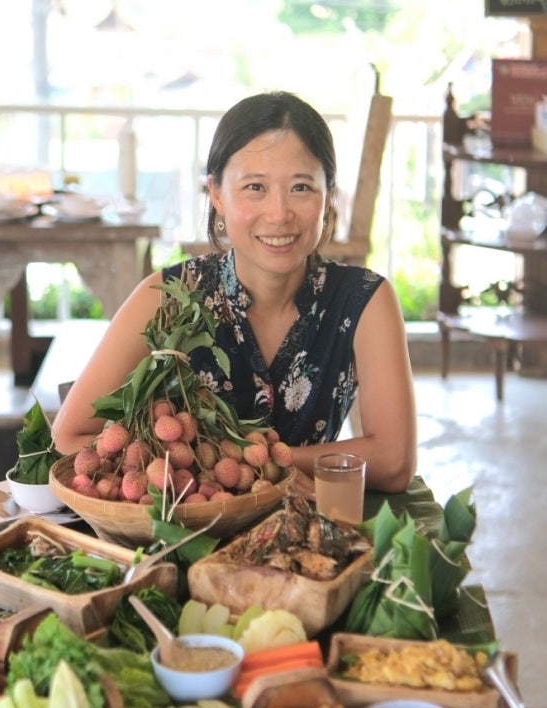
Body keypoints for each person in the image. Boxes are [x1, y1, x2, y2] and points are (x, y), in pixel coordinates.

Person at [52, 90, 417, 497]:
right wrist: (192, 469)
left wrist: (240, 458)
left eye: (301, 187)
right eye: (254, 187)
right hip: (180, 538)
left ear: (329, 196)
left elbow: (394, 461)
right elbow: (69, 435)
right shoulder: (169, 297)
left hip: (307, 539)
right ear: (217, 194)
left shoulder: (364, 301)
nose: (279, 214)